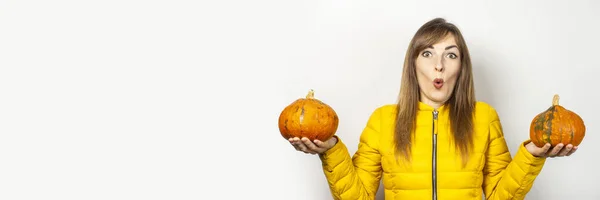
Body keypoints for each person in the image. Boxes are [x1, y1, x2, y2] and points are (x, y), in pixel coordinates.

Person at [288, 18, 578, 200]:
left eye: (450, 55)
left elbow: (500, 197)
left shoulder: (484, 118)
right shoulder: (382, 120)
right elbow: (358, 197)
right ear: (413, 64)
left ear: (461, 68)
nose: (439, 64)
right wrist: (330, 151)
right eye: (428, 53)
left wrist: (532, 156)